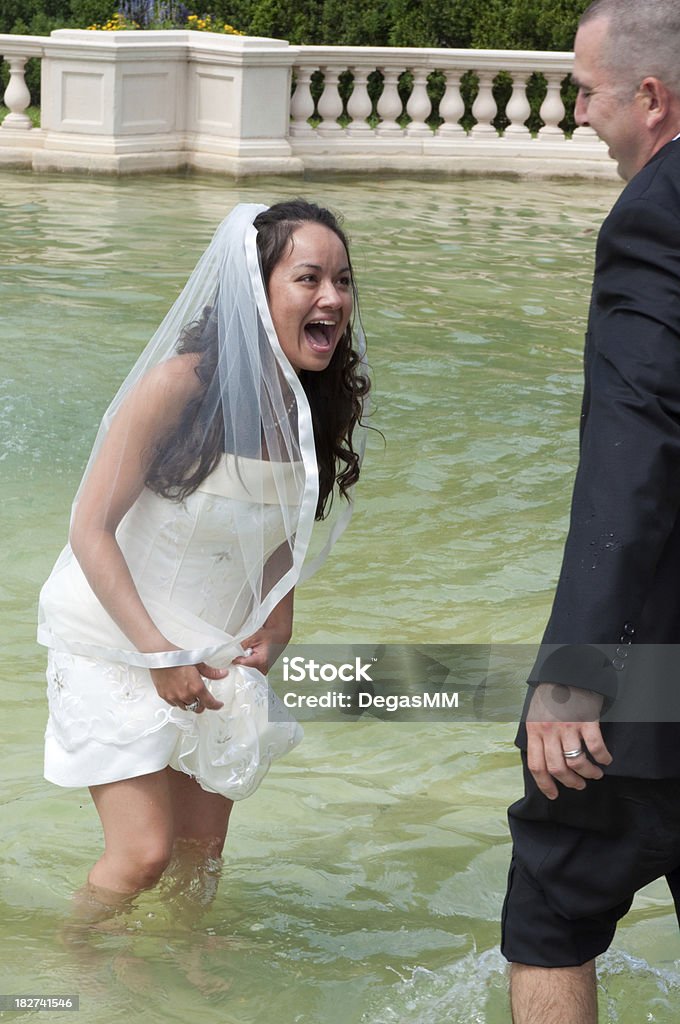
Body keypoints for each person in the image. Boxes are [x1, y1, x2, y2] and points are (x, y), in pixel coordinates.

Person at [38, 199, 370, 908]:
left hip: (209, 646)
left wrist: (279, 616)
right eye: (309, 279)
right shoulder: (177, 387)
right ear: (257, 290)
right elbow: (89, 528)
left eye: (343, 281)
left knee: (201, 857)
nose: (334, 299)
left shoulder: (312, 404)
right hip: (114, 636)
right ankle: (73, 975)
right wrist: (158, 654)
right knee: (144, 855)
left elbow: (284, 526)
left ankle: (183, 979)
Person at [501, 1, 680, 1021]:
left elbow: (635, 449)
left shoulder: (655, 215)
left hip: (650, 683)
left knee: (550, 904)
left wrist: (574, 673)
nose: (578, 116)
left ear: (649, 100)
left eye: (584, 93)